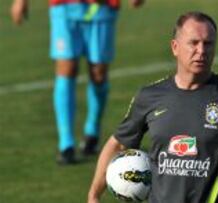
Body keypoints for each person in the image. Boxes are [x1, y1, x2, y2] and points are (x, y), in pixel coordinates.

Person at [87, 11, 218, 203]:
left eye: (208, 44)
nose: (201, 51)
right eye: (193, 43)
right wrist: (94, 194)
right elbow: (117, 144)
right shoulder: (150, 97)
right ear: (175, 47)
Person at [10, 0, 145, 164]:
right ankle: (66, 145)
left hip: (102, 6)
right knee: (66, 68)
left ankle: (92, 133)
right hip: (64, 6)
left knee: (98, 73)